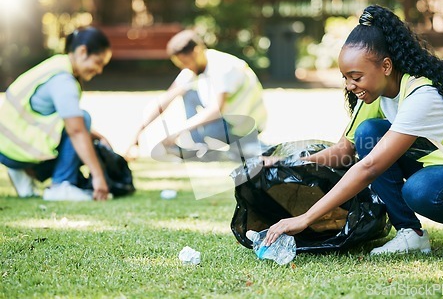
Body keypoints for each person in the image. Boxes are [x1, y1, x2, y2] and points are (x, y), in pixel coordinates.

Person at [263, 5, 443, 256]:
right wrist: (286, 163)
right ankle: (410, 233)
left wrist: (306, 218)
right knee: (369, 133)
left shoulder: (424, 95)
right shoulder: (378, 93)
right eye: (345, 77)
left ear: (386, 66)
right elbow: (344, 151)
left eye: (356, 76)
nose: (350, 85)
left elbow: (369, 167)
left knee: (420, 190)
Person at [0, 26, 112, 201]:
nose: (99, 70)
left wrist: (95, 135)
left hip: (7, 148)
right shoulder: (64, 80)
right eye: (98, 62)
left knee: (83, 129)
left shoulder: (55, 65)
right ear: (83, 52)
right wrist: (98, 176)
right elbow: (76, 131)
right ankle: (61, 185)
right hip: (20, 150)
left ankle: (22, 172)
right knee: (83, 119)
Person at [129, 29, 267, 160]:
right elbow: (164, 101)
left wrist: (178, 131)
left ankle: (242, 147)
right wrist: (135, 138)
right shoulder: (196, 67)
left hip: (245, 127)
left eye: (185, 62)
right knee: (187, 92)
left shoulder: (222, 66)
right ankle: (202, 148)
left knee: (209, 128)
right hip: (229, 122)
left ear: (197, 51)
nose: (184, 67)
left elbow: (216, 110)